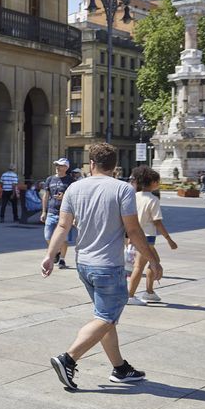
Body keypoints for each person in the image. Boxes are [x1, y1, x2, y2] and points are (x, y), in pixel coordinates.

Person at [43, 143, 159, 391]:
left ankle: (120, 368)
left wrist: (50, 255)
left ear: (91, 164)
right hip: (108, 265)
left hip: (83, 263)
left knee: (104, 317)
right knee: (106, 318)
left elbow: (63, 226)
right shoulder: (122, 189)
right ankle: (68, 358)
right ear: (115, 166)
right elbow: (133, 230)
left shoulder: (74, 188)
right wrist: (152, 259)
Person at [126, 166, 177, 305]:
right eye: (157, 181)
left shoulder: (133, 197)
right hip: (147, 237)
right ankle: (130, 295)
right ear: (152, 182)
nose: (158, 184)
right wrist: (169, 239)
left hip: (135, 234)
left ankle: (149, 291)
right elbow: (157, 222)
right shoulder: (153, 200)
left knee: (154, 262)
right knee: (139, 266)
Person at [42, 158, 78, 270]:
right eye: (57, 165)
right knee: (47, 236)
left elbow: (75, 198)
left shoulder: (71, 181)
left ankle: (62, 259)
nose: (58, 167)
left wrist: (64, 197)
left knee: (64, 239)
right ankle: (57, 251)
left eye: (61, 165)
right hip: (51, 212)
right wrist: (44, 211)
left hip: (65, 213)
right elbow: (46, 196)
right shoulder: (50, 179)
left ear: (66, 168)